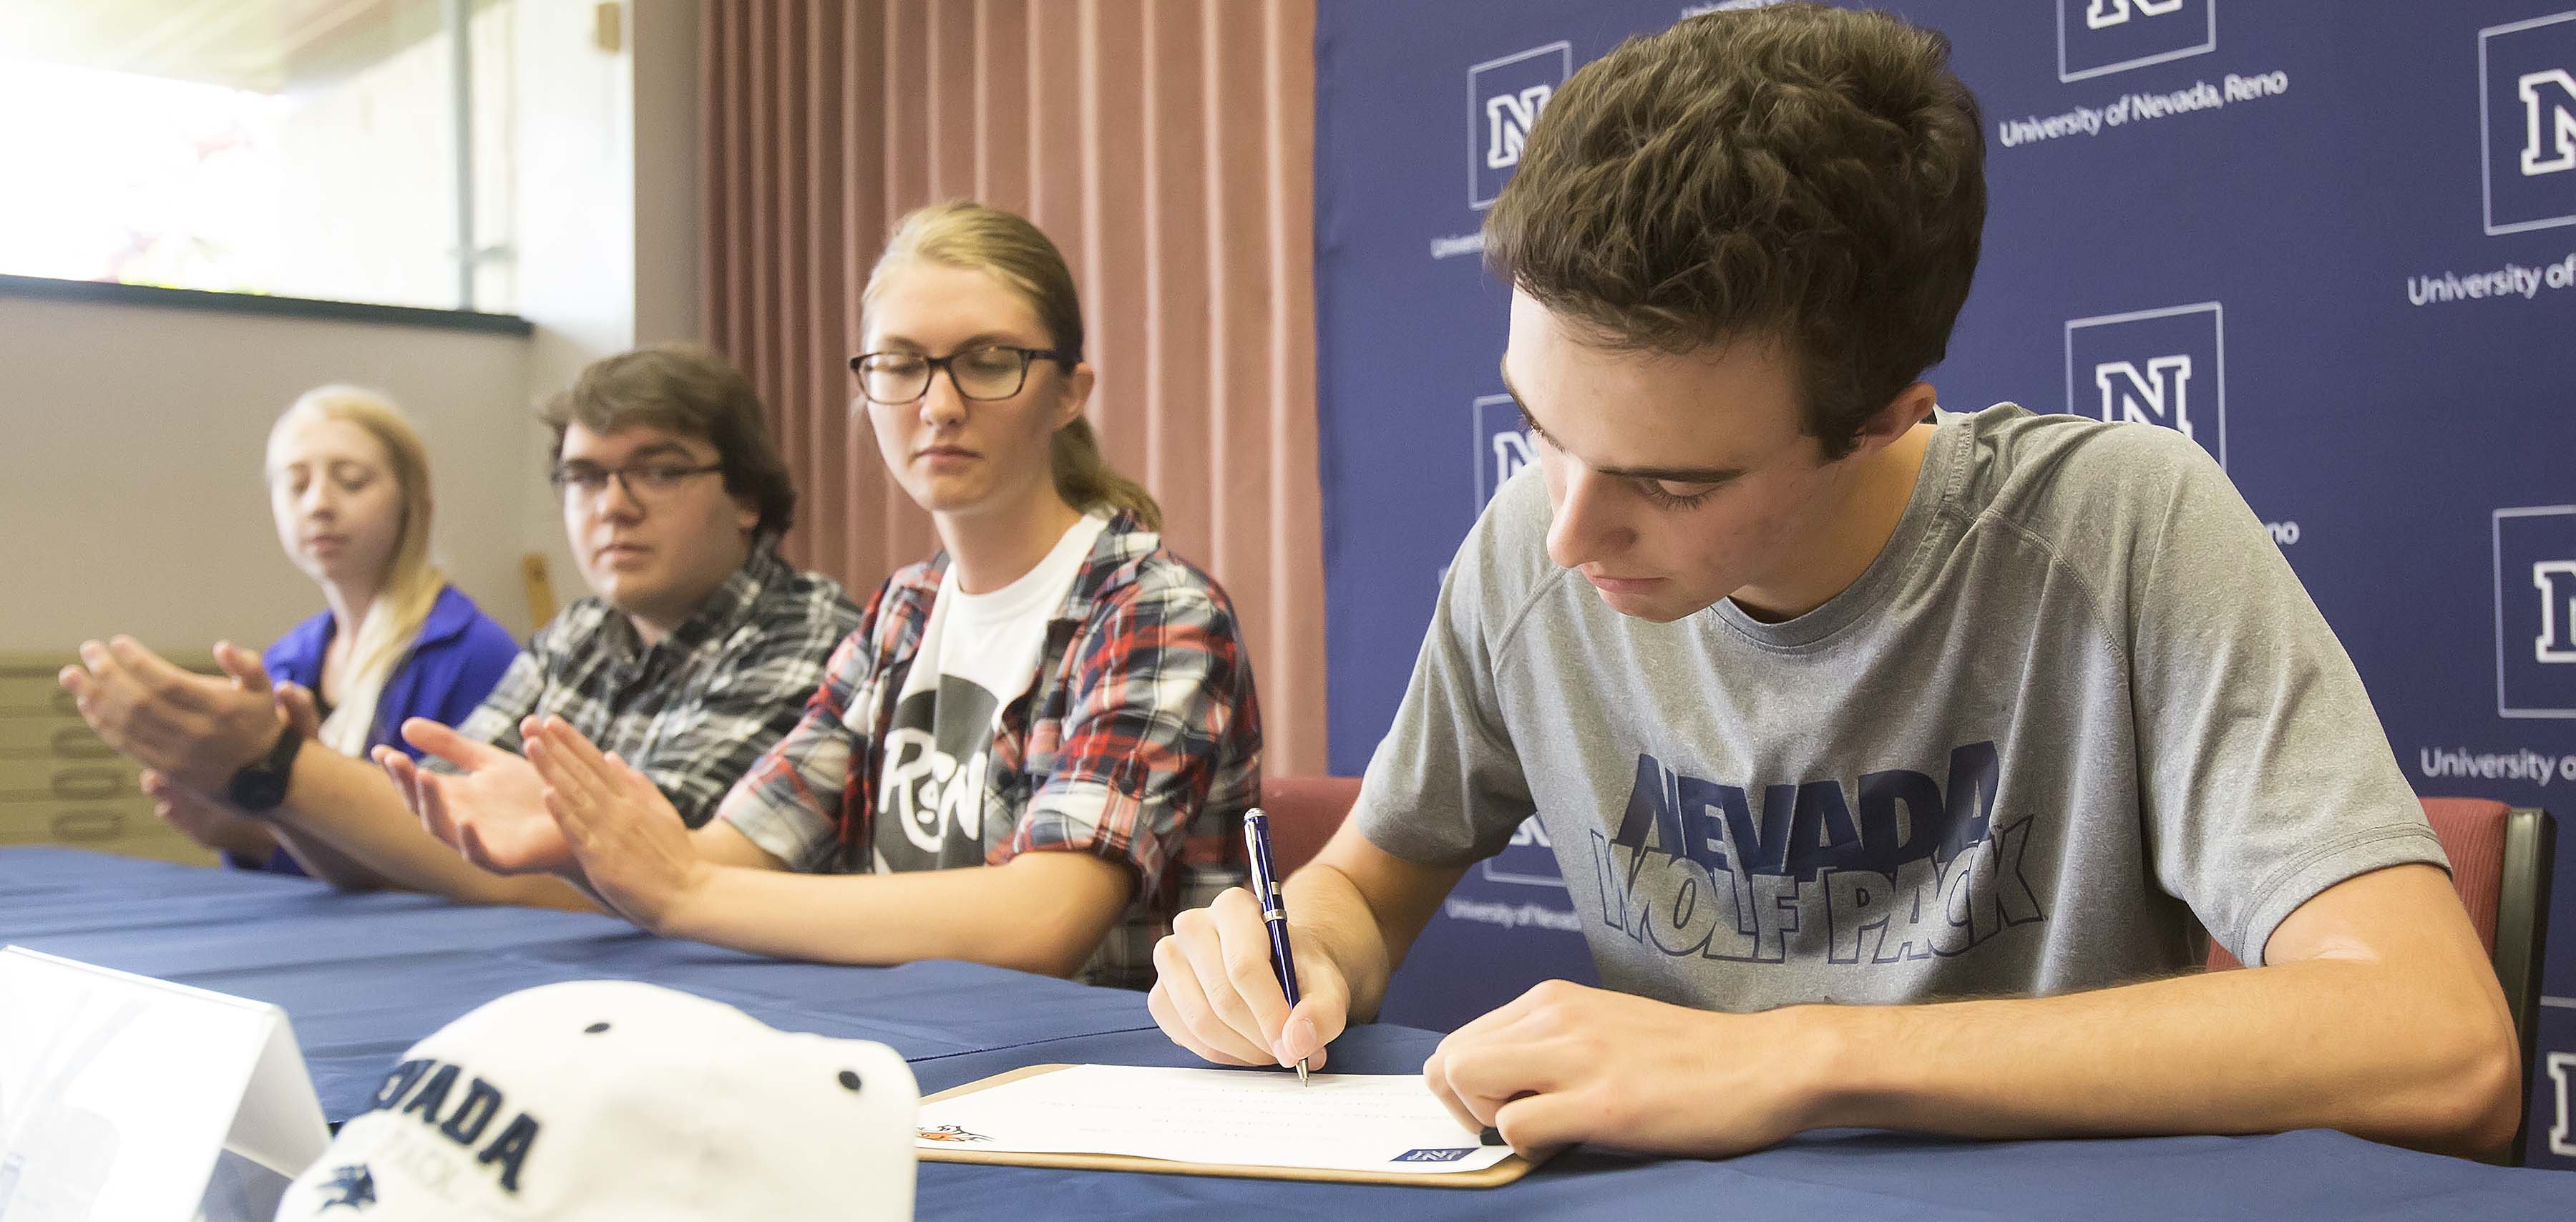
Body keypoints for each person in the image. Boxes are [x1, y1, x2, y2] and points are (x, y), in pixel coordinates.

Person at [1146, 4, 2520, 1160]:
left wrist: (1795, 1059)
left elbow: (2439, 1042)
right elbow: (1370, 886)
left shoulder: (2119, 529)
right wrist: (1293, 946)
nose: (1571, 532)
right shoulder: (1528, 546)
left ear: (1882, 419)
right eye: (1539, 429)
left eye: (1673, 484)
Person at [415, 202, 1262, 987]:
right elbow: (738, 850)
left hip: (1099, 1089)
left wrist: (677, 892)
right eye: (900, 366)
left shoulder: (1151, 608)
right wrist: (582, 838)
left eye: (989, 362)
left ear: (1069, 394)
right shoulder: (906, 609)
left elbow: (1041, 919)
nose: (938, 405)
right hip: (919, 1057)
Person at [61, 345, 861, 907]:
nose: (612, 505)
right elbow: (437, 828)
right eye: (583, 477)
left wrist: (275, 768)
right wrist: (272, 797)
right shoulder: (579, 635)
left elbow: (628, 881)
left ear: (748, 498)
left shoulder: (805, 632)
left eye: (659, 470)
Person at [147, 386, 519, 878]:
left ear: (410, 499)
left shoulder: (475, 658)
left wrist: (262, 840)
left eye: (351, 481)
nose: (319, 503)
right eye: (296, 484)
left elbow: (458, 870)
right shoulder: (285, 662)